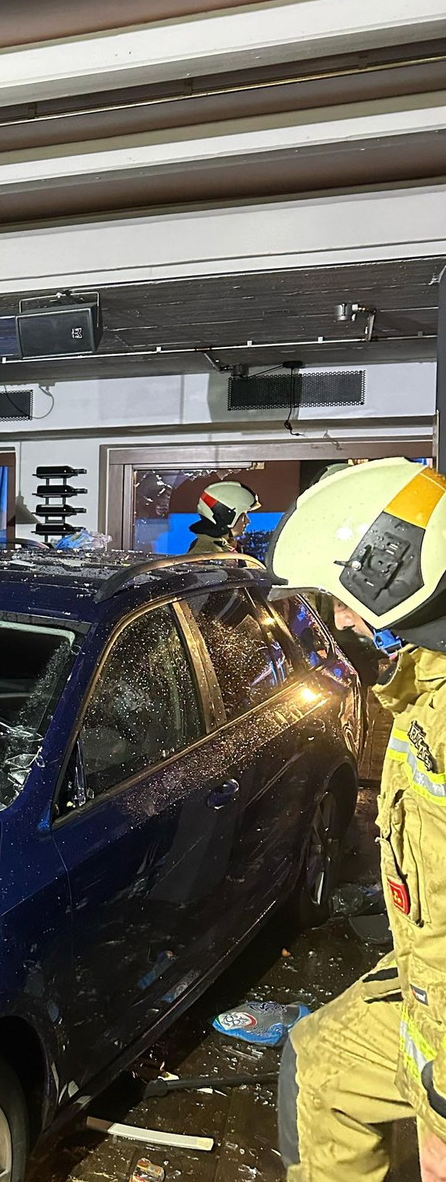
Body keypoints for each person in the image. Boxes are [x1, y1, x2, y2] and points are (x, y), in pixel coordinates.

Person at [269, 458, 446, 1182]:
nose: (342, 619)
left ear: (395, 573)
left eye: (344, 596)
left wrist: (439, 1111)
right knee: (320, 1062)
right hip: (425, 981)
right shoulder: (426, 682)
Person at [187, 481, 260, 554]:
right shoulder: (207, 552)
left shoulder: (223, 547)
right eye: (243, 515)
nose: (248, 521)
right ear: (226, 516)